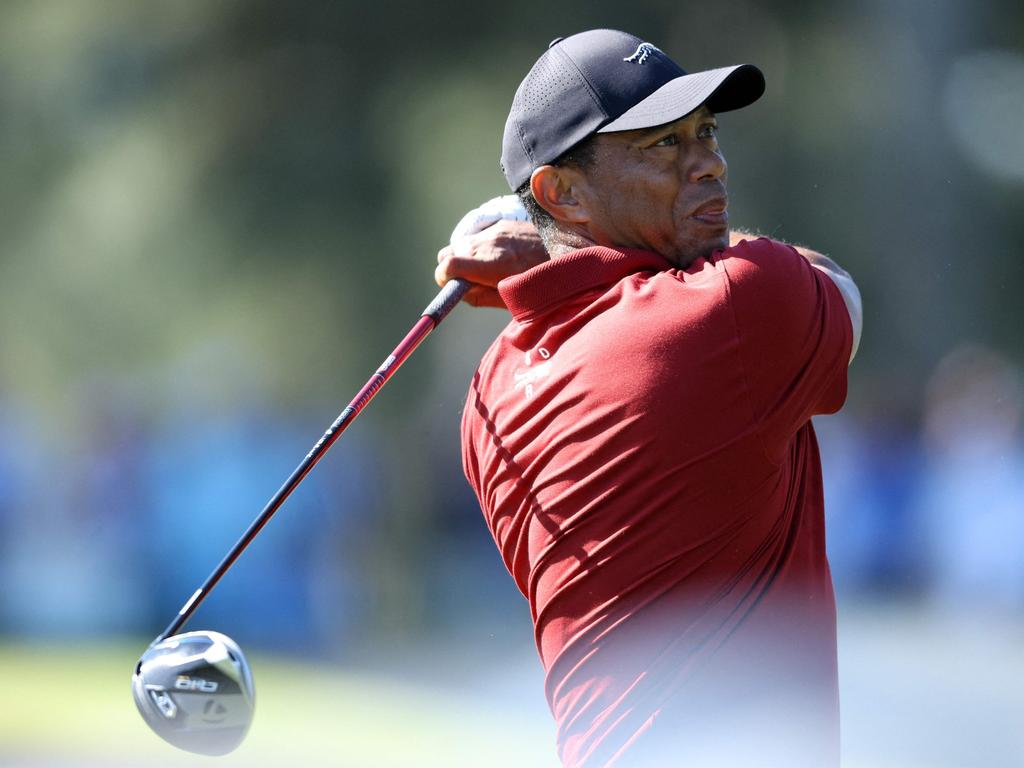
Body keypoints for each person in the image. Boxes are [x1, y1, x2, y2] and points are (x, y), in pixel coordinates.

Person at [435, 29, 863, 768]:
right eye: (662, 145)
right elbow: (842, 293)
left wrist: (550, 256)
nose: (710, 164)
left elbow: (602, 311)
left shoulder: (487, 396)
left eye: (707, 132)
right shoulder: (736, 308)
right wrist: (550, 253)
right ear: (560, 193)